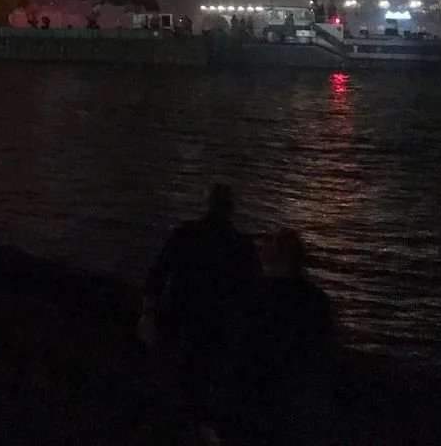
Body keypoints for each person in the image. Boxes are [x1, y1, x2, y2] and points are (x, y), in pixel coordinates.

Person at [139, 184, 261, 433]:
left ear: (206, 205)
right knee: (208, 391)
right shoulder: (243, 246)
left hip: (181, 321)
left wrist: (148, 314)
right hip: (220, 329)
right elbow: (255, 294)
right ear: (231, 210)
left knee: (178, 385)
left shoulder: (184, 234)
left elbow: (156, 276)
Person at [208, 228, 335, 445]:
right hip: (299, 409)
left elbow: (239, 357)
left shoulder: (256, 298)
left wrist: (219, 416)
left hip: (258, 407)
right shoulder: (316, 301)